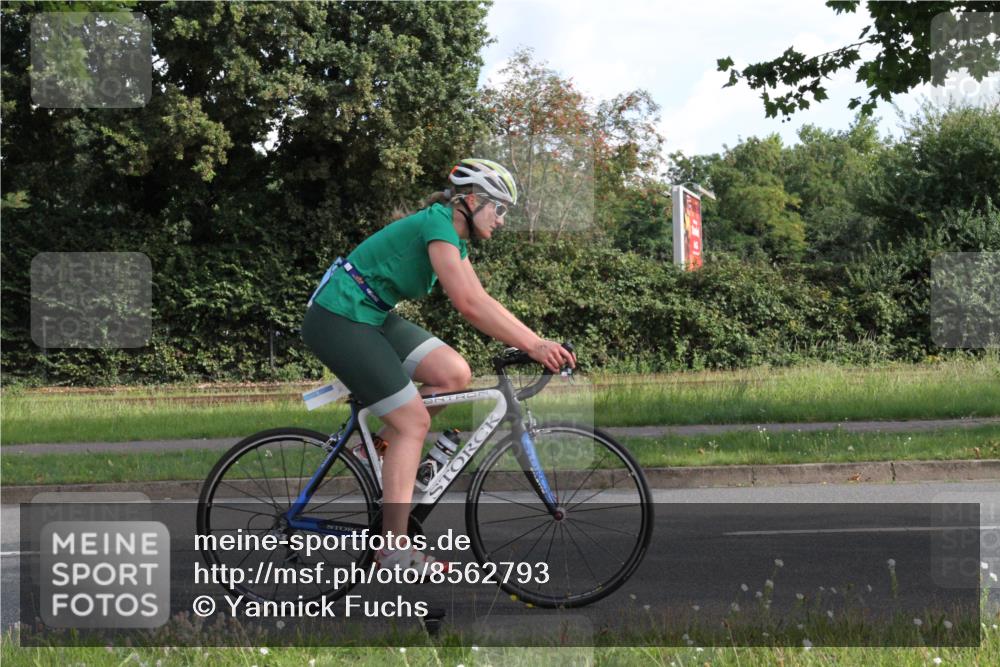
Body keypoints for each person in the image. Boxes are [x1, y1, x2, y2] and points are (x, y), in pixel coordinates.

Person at [301, 158, 576, 573]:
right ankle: (393, 548)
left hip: (369, 312)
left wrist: (538, 341)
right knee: (414, 423)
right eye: (498, 208)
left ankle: (372, 447)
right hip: (338, 316)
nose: (501, 220)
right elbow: (467, 305)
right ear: (471, 200)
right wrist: (534, 345)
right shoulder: (438, 227)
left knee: (453, 374)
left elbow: (483, 300)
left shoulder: (453, 236)